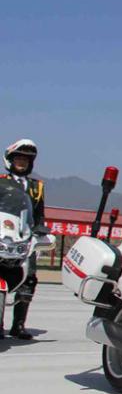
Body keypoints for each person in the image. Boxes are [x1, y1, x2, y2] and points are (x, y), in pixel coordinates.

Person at [0, 139, 45, 339]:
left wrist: (41, 230)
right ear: (10, 160)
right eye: (18, 158)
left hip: (25, 238)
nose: (22, 162)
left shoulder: (37, 186)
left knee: (29, 279)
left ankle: (18, 325)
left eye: (26, 160)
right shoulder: (1, 181)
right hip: (3, 235)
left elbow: (39, 213)